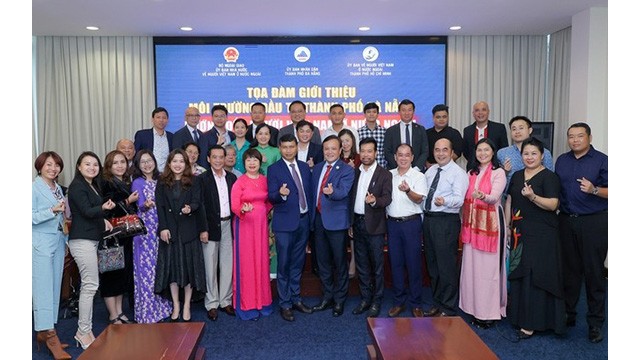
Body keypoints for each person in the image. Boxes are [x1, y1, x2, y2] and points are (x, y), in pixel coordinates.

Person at [505, 137, 566, 339]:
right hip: (519, 233)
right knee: (521, 273)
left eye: (533, 153)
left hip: (542, 234)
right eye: (526, 153)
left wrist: (533, 197)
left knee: (537, 276)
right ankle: (520, 318)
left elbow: (553, 205)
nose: (529, 157)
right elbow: (510, 201)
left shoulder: (549, 177)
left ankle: (534, 323)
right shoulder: (516, 176)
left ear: (542, 155)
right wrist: (507, 225)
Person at [555, 122, 608, 343]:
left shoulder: (602, 160)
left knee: (594, 273)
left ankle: (595, 323)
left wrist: (594, 189)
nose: (575, 140)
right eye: (571, 136)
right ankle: (569, 314)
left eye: (580, 136)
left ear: (589, 137)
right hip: (566, 221)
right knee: (569, 273)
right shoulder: (562, 160)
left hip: (593, 222)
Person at [68, 151, 116, 350]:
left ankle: (86, 330)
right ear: (79, 167)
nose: (92, 168)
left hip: (90, 239)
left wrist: (103, 218)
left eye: (95, 165)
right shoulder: (77, 186)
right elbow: (86, 211)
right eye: (87, 164)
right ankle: (82, 331)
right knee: (89, 286)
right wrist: (103, 209)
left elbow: (87, 212)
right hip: (82, 241)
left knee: (90, 286)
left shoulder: (91, 185)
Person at [458, 138, 508, 329]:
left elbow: (495, 197)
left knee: (488, 272)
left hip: (490, 228)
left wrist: (482, 196)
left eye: (487, 150)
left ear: (493, 152)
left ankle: (487, 313)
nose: (483, 153)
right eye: (479, 150)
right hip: (471, 227)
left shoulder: (499, 172)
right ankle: (473, 308)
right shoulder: (471, 172)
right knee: (472, 270)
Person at [154, 149, 207, 322]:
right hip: (169, 231)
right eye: (174, 161)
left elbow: (198, 202)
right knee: (173, 270)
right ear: (169, 163)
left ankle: (186, 305)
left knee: (189, 269)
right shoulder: (162, 182)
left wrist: (190, 208)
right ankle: (176, 304)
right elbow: (160, 207)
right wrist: (163, 227)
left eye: (181, 161)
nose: (178, 164)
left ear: (186, 164)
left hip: (188, 231)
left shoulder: (194, 181)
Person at [267, 134, 315, 321]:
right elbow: (271, 196)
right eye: (285, 147)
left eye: (291, 146)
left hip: (303, 221)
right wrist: (280, 194)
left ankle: (296, 299)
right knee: (284, 264)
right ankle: (285, 303)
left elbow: (309, 193)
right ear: (280, 148)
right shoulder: (274, 169)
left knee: (297, 263)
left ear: (296, 147)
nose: (288, 150)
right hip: (284, 224)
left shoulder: (303, 167)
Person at [32, 151, 72, 360]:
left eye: (56, 165)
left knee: (55, 287)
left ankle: (45, 330)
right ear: (40, 167)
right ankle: (49, 335)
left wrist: (65, 242)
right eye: (48, 165)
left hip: (57, 242)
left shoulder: (56, 188)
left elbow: (62, 217)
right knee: (43, 289)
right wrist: (51, 210)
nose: (53, 169)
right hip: (40, 244)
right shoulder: (33, 188)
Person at [422, 138, 468, 318]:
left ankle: (448, 308)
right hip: (429, 220)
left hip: (446, 221)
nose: (440, 153)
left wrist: (445, 201)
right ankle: (438, 302)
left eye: (444, 150)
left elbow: (459, 199)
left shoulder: (458, 173)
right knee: (432, 265)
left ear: (451, 152)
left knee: (446, 266)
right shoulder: (431, 170)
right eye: (437, 150)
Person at [310, 135, 355, 317]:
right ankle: (327, 297)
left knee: (339, 263)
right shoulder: (318, 167)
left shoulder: (347, 170)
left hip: (336, 223)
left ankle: (339, 300)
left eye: (333, 148)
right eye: (326, 148)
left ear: (340, 150)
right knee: (323, 263)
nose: (329, 152)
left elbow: (343, 191)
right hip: (318, 221)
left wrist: (332, 192)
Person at [349, 138, 392, 318]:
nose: (366, 154)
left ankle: (376, 300)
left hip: (374, 225)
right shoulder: (355, 172)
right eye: (363, 151)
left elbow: (387, 198)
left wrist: (375, 201)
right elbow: (351, 199)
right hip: (357, 223)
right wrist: (350, 223)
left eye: (369, 151)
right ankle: (365, 298)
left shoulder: (384, 174)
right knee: (362, 264)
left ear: (376, 153)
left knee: (376, 266)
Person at [230, 148, 274, 320]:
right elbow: (234, 205)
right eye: (248, 160)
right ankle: (247, 305)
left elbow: (269, 201)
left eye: (255, 159)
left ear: (259, 162)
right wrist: (243, 208)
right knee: (247, 264)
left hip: (261, 226)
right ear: (244, 162)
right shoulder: (239, 182)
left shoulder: (265, 180)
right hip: (245, 226)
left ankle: (262, 302)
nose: (252, 163)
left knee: (262, 262)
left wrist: (263, 212)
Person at [385, 144, 428, 318]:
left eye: (407, 155)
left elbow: (419, 200)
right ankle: (398, 302)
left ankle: (416, 303)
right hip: (392, 225)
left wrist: (408, 190)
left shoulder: (418, 176)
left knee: (413, 264)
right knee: (395, 264)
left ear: (412, 157)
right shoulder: (388, 175)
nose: (403, 158)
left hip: (411, 224)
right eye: (400, 155)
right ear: (395, 157)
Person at [130, 150, 172, 323]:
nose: (147, 164)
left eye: (149, 160)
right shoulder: (137, 182)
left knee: (160, 270)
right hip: (145, 234)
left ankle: (162, 308)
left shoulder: (161, 179)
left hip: (160, 230)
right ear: (138, 166)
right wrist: (146, 205)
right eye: (143, 162)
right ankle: (147, 312)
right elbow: (140, 205)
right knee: (146, 273)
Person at [100, 150, 139, 325]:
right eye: (115, 163)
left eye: (122, 162)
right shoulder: (106, 183)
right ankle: (112, 314)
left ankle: (120, 312)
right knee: (111, 276)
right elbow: (108, 210)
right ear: (108, 166)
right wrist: (128, 202)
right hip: (111, 237)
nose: (120, 165)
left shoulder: (124, 182)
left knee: (121, 275)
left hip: (124, 237)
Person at [200, 145, 237, 321]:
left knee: (227, 264)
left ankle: (225, 301)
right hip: (210, 226)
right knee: (210, 266)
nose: (217, 160)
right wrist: (203, 229)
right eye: (214, 157)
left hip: (228, 224)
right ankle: (212, 303)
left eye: (221, 157)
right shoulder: (202, 179)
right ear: (208, 159)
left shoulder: (231, 178)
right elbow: (199, 207)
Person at [497, 116, 554, 197]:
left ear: (530, 130)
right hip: (510, 198)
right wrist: (505, 172)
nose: (517, 131)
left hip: (537, 198)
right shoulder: (502, 153)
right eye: (514, 129)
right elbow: (497, 179)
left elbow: (550, 179)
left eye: (521, 128)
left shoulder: (544, 153)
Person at [383, 99, 429, 171]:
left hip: (416, 171)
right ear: (399, 112)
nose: (406, 113)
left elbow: (425, 151)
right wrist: (399, 167)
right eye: (403, 110)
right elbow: (387, 152)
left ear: (413, 111)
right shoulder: (390, 131)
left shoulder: (421, 129)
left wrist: (416, 168)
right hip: (395, 171)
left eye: (409, 110)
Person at [338, 127, 360, 279]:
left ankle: (353, 262)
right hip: (339, 201)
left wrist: (354, 170)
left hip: (354, 199)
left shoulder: (359, 158)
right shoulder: (335, 158)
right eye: (342, 141)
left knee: (353, 232)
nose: (345, 144)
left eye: (347, 140)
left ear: (353, 141)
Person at [462, 101, 509, 170]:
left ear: (488, 112)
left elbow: (503, 149)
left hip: (494, 168)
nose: (480, 113)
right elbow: (466, 152)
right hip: (473, 169)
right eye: (477, 110)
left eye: (483, 110)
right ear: (473, 113)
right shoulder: (467, 130)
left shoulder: (499, 128)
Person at [134, 107, 174, 172]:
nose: (161, 120)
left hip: (166, 175)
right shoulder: (142, 135)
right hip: (147, 173)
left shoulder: (171, 137)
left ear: (167, 120)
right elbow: (136, 155)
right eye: (158, 117)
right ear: (152, 119)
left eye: (164, 118)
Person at [425, 104, 464, 169]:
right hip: (429, 169)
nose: (441, 119)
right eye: (438, 117)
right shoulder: (426, 133)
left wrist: (440, 163)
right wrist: (426, 163)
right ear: (433, 118)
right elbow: (422, 152)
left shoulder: (454, 133)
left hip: (449, 169)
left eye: (444, 117)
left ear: (448, 117)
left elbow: (457, 153)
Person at [357, 102, 387, 168]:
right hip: (364, 169)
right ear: (364, 114)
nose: (371, 114)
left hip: (381, 168)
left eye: (374, 112)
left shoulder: (384, 131)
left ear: (377, 114)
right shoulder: (358, 132)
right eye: (368, 112)